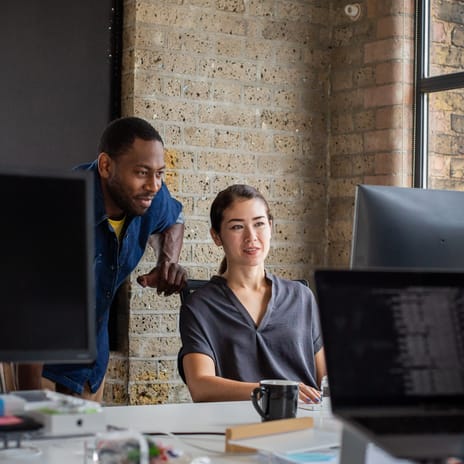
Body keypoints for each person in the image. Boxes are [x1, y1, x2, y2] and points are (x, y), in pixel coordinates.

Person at [17, 116, 187, 401]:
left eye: (160, 173)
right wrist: (29, 406)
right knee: (39, 437)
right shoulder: (59, 207)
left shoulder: (151, 196)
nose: (154, 185)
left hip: (91, 360)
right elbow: (28, 314)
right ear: (106, 165)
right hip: (36, 358)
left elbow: (175, 218)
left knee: (85, 444)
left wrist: (166, 261)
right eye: (142, 172)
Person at [178, 184, 326, 403]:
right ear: (216, 236)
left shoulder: (301, 297)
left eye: (259, 224)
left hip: (309, 422)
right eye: (237, 227)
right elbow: (200, 385)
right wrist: (274, 391)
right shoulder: (199, 306)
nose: (251, 237)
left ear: (271, 228)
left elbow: (326, 381)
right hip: (238, 427)